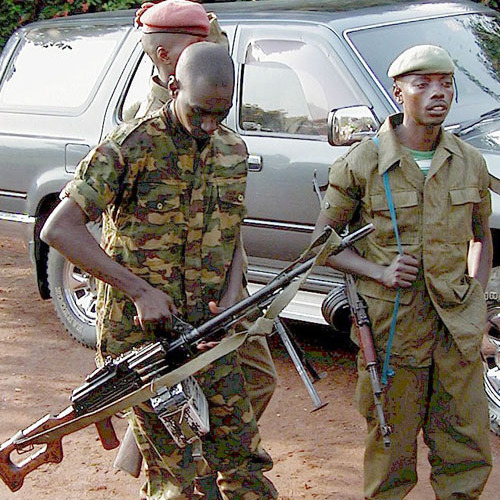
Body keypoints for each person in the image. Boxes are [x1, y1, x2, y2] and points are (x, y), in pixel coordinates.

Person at [41, 42, 277, 500]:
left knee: (244, 462)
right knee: (184, 481)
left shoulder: (231, 149)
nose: (210, 125)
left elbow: (231, 232)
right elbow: (60, 228)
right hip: (142, 345)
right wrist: (138, 290)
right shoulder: (128, 147)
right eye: (199, 112)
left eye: (220, 113)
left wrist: (231, 296)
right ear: (173, 87)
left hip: (208, 334)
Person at [314, 45, 493, 499]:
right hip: (394, 331)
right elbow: (321, 246)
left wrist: (474, 295)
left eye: (446, 83)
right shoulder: (364, 162)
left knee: (466, 451)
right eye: (423, 84)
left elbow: (481, 237)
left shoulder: (470, 162)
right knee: (391, 454)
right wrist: (379, 270)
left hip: (455, 331)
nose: (438, 94)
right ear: (398, 94)